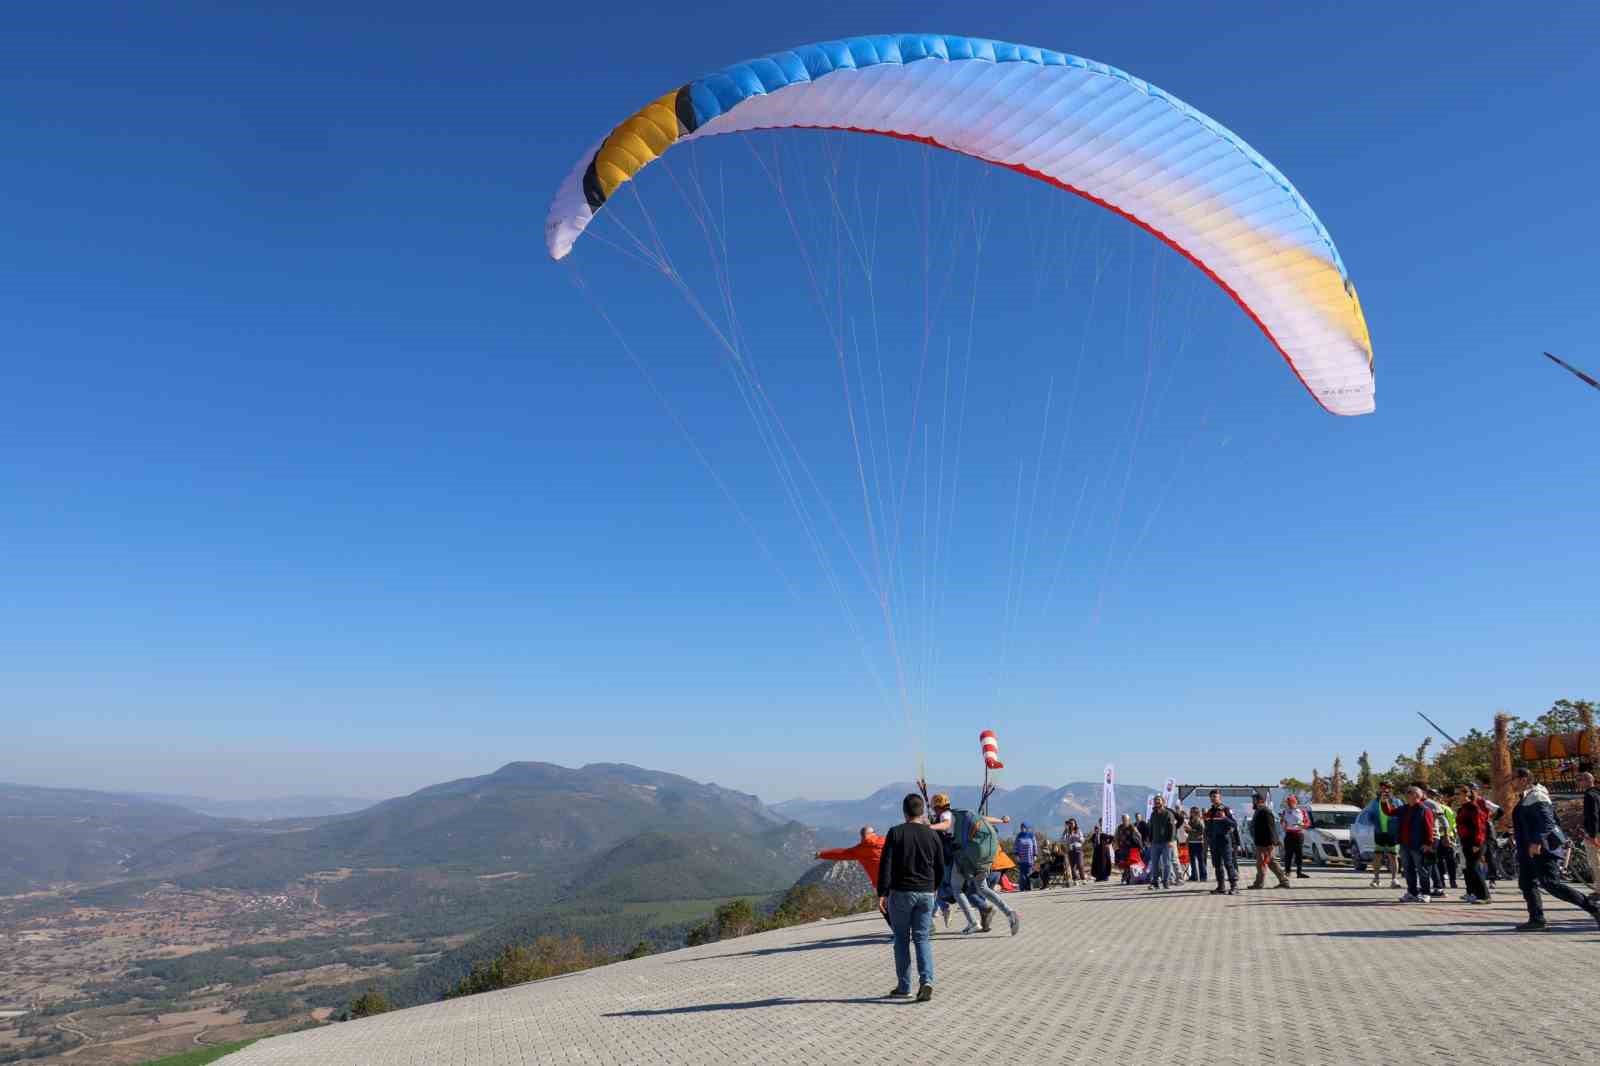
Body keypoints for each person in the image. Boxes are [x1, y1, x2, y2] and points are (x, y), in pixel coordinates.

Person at [1508, 768, 1600, 932]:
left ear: (1523, 779)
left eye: (1513, 779)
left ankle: (1593, 908)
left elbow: (1548, 822)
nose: (1511, 782)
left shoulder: (1537, 795)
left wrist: (1536, 841)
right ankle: (1537, 919)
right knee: (1527, 883)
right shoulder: (1528, 796)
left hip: (1540, 849)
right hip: (1527, 849)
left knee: (1552, 884)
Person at [877, 793, 942, 1000]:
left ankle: (904, 987)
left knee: (902, 940)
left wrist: (882, 893)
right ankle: (927, 981)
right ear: (922, 810)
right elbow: (941, 864)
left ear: (904, 811)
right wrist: (935, 887)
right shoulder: (932, 834)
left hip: (901, 893)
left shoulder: (895, 833)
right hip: (926, 892)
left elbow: (885, 864)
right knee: (922, 938)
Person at [927, 794, 1020, 935]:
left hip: (966, 857)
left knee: (957, 889)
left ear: (936, 807)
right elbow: (984, 819)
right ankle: (1009, 913)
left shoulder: (945, 815)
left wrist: (930, 827)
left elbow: (946, 824)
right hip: (983, 855)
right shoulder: (961, 814)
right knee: (983, 888)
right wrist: (1001, 820)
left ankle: (973, 922)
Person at [817, 826, 889, 926]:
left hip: (881, 884)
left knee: (885, 908)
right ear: (874, 833)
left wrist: (822, 854)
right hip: (899, 878)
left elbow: (841, 853)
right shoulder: (887, 841)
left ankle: (899, 933)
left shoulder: (860, 849)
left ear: (862, 836)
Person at [1393, 785, 1436, 903]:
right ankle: (1412, 892)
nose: (1406, 794)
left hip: (1418, 845)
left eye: (1409, 792)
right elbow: (1389, 812)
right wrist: (1384, 800)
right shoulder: (1404, 808)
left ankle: (1426, 893)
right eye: (1406, 792)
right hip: (1405, 845)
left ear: (1417, 795)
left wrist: (1428, 843)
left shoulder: (1424, 809)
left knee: (1422, 870)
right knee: (1407, 869)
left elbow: (1429, 827)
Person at [1454, 783, 1493, 904]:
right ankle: (1476, 893)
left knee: (1474, 868)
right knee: (1470, 869)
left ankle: (1485, 896)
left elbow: (1479, 827)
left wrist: (1477, 843)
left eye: (1458, 794)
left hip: (1475, 842)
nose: (1456, 796)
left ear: (1466, 794)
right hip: (1465, 841)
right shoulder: (1461, 808)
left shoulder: (1473, 808)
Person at [1247, 793, 1290, 890]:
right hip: (1261, 843)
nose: (1253, 802)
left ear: (1260, 801)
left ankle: (1260, 883)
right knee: (1268, 863)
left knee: (1264, 863)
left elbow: (1271, 828)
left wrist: (1273, 843)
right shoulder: (1259, 810)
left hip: (1266, 844)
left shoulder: (1265, 811)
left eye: (1254, 800)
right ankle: (1281, 881)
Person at [1364, 782, 1402, 889]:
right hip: (1379, 833)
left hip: (1392, 833)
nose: (1385, 790)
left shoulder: (1397, 801)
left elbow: (1402, 814)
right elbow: (1369, 815)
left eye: (1387, 788)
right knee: (1377, 856)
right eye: (1382, 788)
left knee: (1393, 856)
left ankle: (1394, 879)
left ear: (1391, 790)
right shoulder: (1374, 802)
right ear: (1380, 789)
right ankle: (1376, 879)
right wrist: (1371, 821)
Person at [1202, 790, 1239, 895]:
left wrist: (1224, 818)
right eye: (1212, 797)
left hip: (1224, 840)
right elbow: (1208, 827)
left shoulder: (1226, 809)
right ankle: (1221, 887)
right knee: (1217, 865)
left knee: (1228, 864)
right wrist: (1208, 836)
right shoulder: (1210, 811)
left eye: (1215, 796)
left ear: (1220, 797)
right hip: (1214, 842)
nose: (1213, 798)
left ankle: (1234, 887)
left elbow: (1234, 824)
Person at [1424, 788, 1456, 896]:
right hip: (1436, 837)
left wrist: (1447, 836)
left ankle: (1441, 885)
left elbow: (1447, 822)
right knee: (1434, 863)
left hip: (1437, 837)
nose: (1433, 796)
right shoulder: (1425, 804)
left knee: (1439, 862)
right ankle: (1439, 885)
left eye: (1434, 794)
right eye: (1431, 794)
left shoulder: (1435, 805)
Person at [1145, 796, 1179, 890]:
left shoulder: (1168, 814)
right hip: (1155, 842)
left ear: (1163, 802)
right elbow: (1151, 828)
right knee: (1155, 863)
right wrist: (1149, 839)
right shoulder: (1153, 814)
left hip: (1166, 843)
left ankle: (1166, 882)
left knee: (1166, 863)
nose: (1157, 803)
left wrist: (1171, 840)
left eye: (1159, 801)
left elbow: (1172, 828)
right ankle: (1155, 882)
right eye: (1155, 801)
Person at [1279, 794, 1311, 879]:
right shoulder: (1284, 811)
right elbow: (1281, 822)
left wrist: (1303, 825)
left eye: (1291, 802)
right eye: (1288, 802)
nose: (1289, 804)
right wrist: (1283, 824)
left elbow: (1308, 823)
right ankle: (1287, 872)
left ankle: (1299, 872)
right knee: (1288, 854)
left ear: (1295, 802)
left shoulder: (1302, 811)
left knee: (1299, 854)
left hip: (1298, 834)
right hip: (1289, 835)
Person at [1580, 771, 1600, 901]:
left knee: (1596, 862)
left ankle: (1599, 891)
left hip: (1594, 833)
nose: (1578, 783)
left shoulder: (1589, 795)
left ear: (1588, 780)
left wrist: (1592, 835)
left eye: (1580, 780)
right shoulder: (1597, 793)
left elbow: (1593, 816)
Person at [1013, 822, 1038, 892]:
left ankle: (1029, 887)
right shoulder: (1019, 836)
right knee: (1022, 874)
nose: (1022, 828)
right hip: (1021, 858)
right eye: (1021, 827)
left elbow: (1034, 845)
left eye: (1024, 827)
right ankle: (1022, 887)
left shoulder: (1031, 835)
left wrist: (1035, 855)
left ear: (1027, 828)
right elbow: (1015, 846)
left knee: (1029, 873)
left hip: (1029, 857)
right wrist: (1016, 854)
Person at [1186, 806, 1207, 883]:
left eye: (1192, 812)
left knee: (1201, 861)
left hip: (1199, 843)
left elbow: (1201, 833)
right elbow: (1189, 832)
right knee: (1192, 861)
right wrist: (1187, 830)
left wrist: (1190, 830)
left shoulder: (1200, 821)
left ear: (1196, 813)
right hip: (1191, 842)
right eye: (1190, 812)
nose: (1190, 813)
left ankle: (1203, 876)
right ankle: (1194, 876)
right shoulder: (1190, 821)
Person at [1064, 819, 1086, 885]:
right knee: (1072, 865)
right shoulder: (1067, 832)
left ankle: (1083, 879)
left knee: (1080, 864)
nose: (1071, 824)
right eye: (1070, 823)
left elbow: (1083, 839)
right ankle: (1075, 880)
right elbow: (1063, 840)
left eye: (1073, 823)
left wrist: (1078, 838)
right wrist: (1066, 831)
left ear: (1075, 824)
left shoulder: (1078, 830)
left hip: (1078, 849)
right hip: (1070, 849)